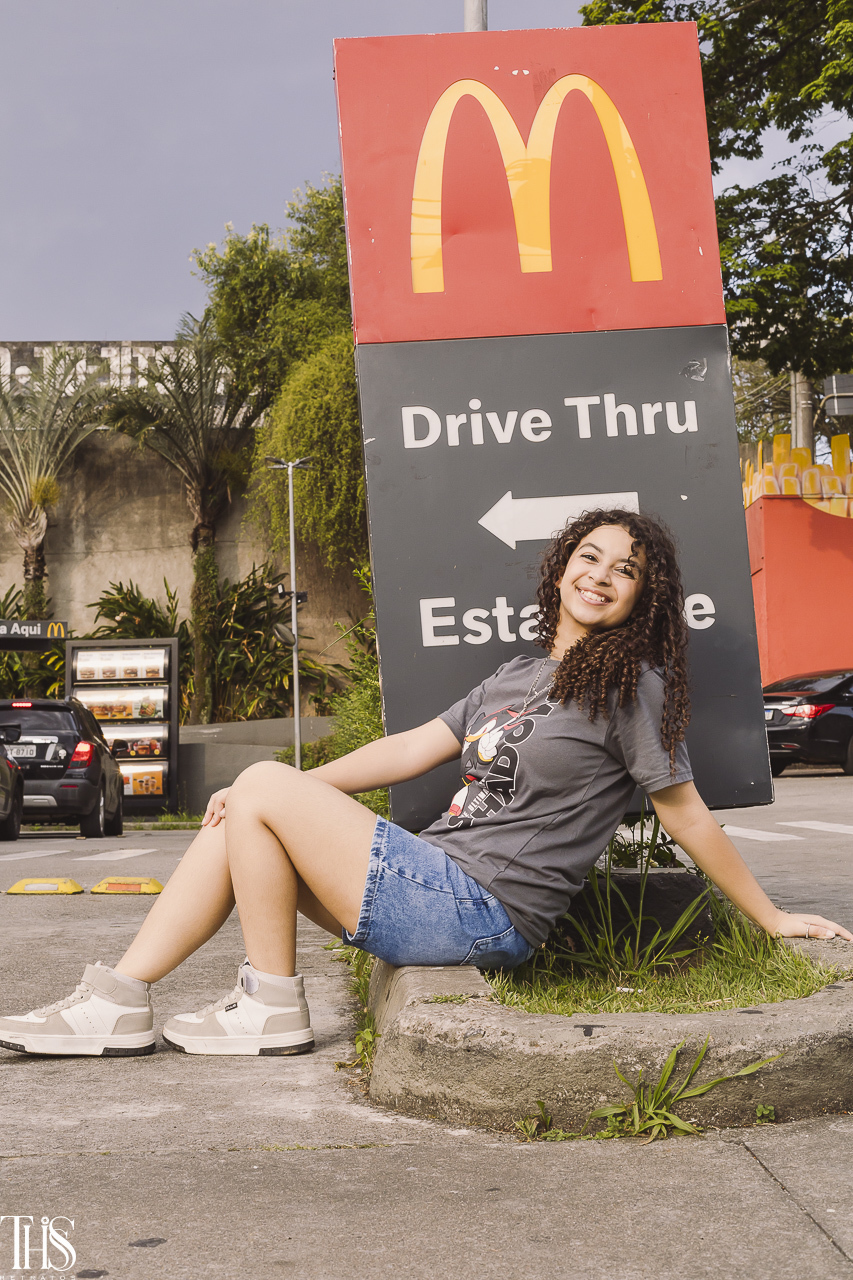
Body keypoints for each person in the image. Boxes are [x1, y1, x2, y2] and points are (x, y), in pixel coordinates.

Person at [1, 509, 849, 1058]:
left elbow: (684, 813)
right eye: (588, 556)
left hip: (482, 909)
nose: (600, 573)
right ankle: (154, 1001)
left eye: (623, 570)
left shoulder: (629, 686)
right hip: (434, 882)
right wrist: (286, 787)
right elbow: (411, 749)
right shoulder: (516, 676)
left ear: (640, 598)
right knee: (244, 811)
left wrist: (771, 917)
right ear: (560, 568)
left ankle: (235, 1005)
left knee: (258, 789)